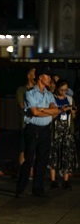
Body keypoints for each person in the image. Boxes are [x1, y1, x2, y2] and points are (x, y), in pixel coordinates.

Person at [16, 66, 61, 198]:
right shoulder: (29, 93)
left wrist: (42, 110)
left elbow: (56, 111)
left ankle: (38, 188)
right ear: (40, 77)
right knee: (29, 159)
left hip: (45, 130)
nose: (50, 79)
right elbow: (34, 112)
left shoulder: (49, 94)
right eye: (47, 76)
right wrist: (44, 111)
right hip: (33, 129)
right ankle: (21, 187)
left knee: (42, 160)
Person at [48, 79, 77, 189]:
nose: (63, 92)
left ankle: (66, 179)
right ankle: (53, 179)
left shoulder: (69, 99)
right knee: (54, 154)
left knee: (66, 153)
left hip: (67, 128)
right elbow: (51, 115)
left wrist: (72, 112)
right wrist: (60, 110)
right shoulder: (52, 98)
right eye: (61, 90)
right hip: (55, 128)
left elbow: (73, 117)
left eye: (65, 90)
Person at [16, 68, 35, 169]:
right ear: (29, 76)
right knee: (23, 149)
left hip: (36, 122)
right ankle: (23, 171)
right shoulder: (21, 90)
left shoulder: (39, 90)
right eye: (34, 73)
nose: (36, 76)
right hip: (25, 123)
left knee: (34, 148)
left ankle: (32, 170)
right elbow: (21, 105)